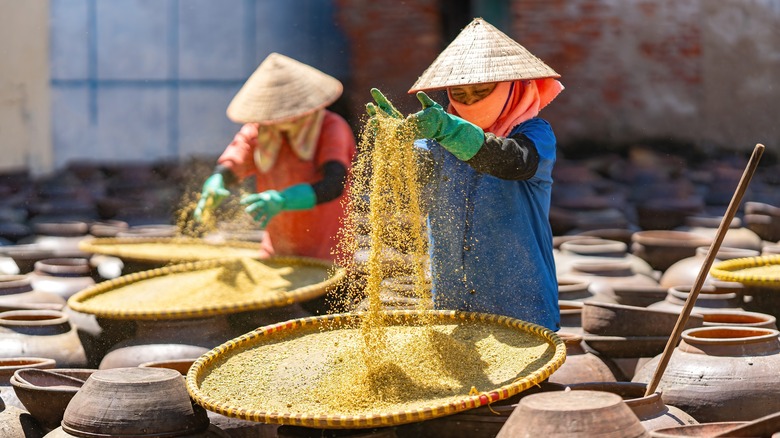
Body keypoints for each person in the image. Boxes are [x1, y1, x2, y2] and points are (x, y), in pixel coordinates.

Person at [368, 18, 563, 330]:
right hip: (454, 299)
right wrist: (397, 146)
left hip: (519, 302)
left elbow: (512, 161)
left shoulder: (533, 134)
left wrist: (451, 131)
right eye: (461, 94)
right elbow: (412, 186)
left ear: (511, 89)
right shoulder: (437, 138)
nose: (471, 102)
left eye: (482, 91)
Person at [193, 52, 356, 262]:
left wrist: (283, 200)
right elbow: (236, 159)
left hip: (328, 251)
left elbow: (334, 184)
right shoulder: (260, 130)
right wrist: (217, 181)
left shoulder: (331, 128)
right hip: (276, 250)